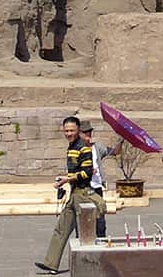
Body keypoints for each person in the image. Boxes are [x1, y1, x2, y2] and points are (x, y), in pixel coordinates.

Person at [35, 116, 105, 275]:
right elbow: (74, 172)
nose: (69, 133)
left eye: (72, 130)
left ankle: (97, 264)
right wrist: (63, 181)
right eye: (66, 130)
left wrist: (68, 178)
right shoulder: (71, 147)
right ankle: (51, 264)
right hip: (74, 194)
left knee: (88, 234)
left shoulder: (84, 148)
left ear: (78, 130)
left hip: (83, 195)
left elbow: (87, 173)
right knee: (61, 228)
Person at [80, 120, 123, 239]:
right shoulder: (76, 149)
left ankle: (101, 241)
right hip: (83, 189)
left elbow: (114, 152)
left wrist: (121, 141)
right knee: (84, 220)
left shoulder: (96, 147)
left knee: (100, 220)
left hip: (97, 187)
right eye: (85, 132)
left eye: (89, 132)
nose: (88, 135)